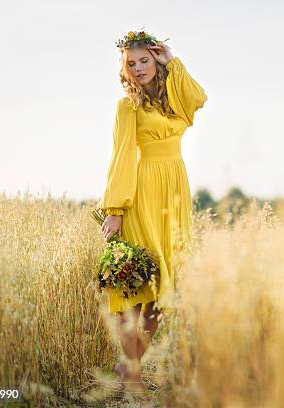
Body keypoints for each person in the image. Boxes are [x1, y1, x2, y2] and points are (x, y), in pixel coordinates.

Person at [97, 29, 208, 396]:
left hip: (175, 191)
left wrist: (171, 61)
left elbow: (199, 98)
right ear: (124, 69)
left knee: (167, 288)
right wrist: (115, 209)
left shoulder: (172, 98)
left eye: (145, 60)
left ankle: (129, 366)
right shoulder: (126, 107)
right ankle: (130, 372)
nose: (139, 68)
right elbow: (122, 156)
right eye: (132, 63)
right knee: (141, 284)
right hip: (143, 192)